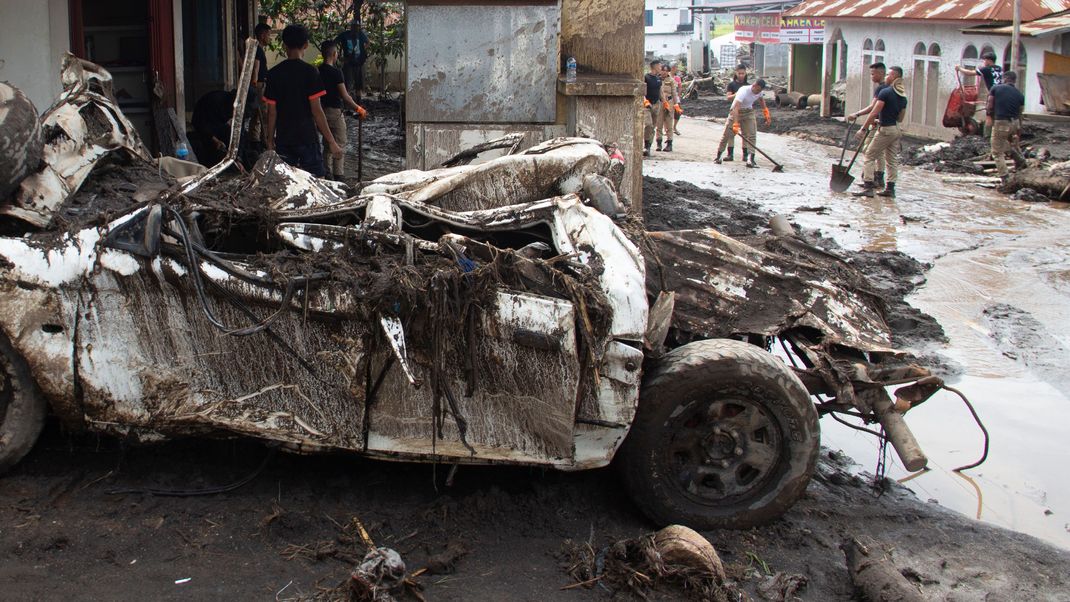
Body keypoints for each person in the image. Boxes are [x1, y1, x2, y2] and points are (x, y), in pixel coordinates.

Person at [264, 24, 342, 177]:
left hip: (284, 138)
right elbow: (317, 111)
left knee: (286, 181)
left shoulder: (273, 74)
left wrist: (269, 140)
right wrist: (331, 142)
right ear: (306, 45)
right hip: (307, 137)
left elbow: (271, 112)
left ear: (284, 45)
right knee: (317, 180)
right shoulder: (311, 72)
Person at [855, 66, 908, 198]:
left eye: (888, 75)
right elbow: (900, 118)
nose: (886, 77)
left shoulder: (885, 92)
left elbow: (874, 112)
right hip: (895, 130)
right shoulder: (903, 97)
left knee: (869, 155)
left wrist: (863, 128)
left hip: (885, 131)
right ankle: (890, 189)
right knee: (891, 160)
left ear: (894, 77)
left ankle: (868, 186)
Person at [319, 40, 368, 180]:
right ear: (334, 54)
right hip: (334, 112)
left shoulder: (317, 71)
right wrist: (359, 108)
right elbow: (345, 96)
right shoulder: (336, 72)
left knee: (327, 143)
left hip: (320, 111)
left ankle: (326, 174)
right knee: (340, 143)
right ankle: (338, 176)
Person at [846, 62, 888, 189]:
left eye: (873, 74)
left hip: (877, 124)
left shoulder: (881, 88)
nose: (871, 77)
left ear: (881, 73)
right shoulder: (889, 87)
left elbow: (872, 108)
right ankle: (879, 178)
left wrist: (857, 115)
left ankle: (869, 181)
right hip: (883, 123)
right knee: (880, 153)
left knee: (868, 151)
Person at [716, 78, 770, 167]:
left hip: (748, 112)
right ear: (754, 86)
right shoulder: (743, 91)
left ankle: (750, 159)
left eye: (760, 90)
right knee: (727, 135)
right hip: (736, 111)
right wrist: (735, 124)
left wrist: (766, 113)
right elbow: (736, 107)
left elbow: (761, 100)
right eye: (757, 90)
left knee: (752, 135)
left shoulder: (759, 92)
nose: (758, 92)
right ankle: (719, 156)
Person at [986, 70, 1026, 182]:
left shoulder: (995, 88)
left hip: (1001, 122)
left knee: (997, 152)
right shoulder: (1020, 94)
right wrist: (1019, 130)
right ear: (1014, 81)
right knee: (1009, 144)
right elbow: (1020, 113)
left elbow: (990, 104)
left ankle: (1005, 178)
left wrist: (989, 116)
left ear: (1005, 79)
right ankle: (1020, 161)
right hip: (1015, 123)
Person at [714, 65, 750, 163]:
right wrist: (738, 94)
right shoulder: (732, 85)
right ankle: (730, 154)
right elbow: (729, 97)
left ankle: (745, 155)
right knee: (730, 134)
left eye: (743, 73)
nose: (741, 75)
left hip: (745, 111)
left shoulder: (748, 85)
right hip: (734, 111)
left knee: (746, 134)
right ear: (736, 73)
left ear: (746, 73)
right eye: (739, 73)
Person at [247, 23, 273, 147]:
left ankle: (255, 138)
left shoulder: (258, 48)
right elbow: (256, 67)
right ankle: (262, 140)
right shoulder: (257, 49)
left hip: (260, 83)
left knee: (258, 113)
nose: (269, 38)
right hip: (259, 85)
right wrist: (255, 83)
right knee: (263, 113)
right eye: (268, 35)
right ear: (262, 35)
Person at [335, 20, 369, 99]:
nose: (356, 28)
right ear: (351, 27)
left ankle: (358, 102)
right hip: (348, 62)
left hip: (358, 62)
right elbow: (334, 42)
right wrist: (339, 56)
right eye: (354, 26)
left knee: (358, 83)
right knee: (347, 82)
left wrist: (363, 50)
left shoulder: (360, 34)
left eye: (357, 26)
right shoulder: (345, 35)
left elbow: (368, 42)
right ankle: (346, 102)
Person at [655, 64, 680, 152]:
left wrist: (676, 104)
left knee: (669, 124)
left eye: (666, 70)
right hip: (659, 103)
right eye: (663, 70)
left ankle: (669, 144)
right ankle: (659, 143)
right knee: (659, 124)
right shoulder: (657, 79)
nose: (664, 72)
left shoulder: (671, 81)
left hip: (669, 103)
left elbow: (674, 93)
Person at [643, 61, 662, 157]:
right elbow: (642, 91)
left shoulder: (658, 79)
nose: (661, 67)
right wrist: (645, 101)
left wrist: (664, 102)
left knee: (653, 127)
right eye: (659, 66)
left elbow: (660, 91)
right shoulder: (646, 77)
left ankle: (648, 147)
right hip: (647, 105)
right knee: (648, 125)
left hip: (656, 104)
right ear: (654, 67)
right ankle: (645, 145)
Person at [671, 64, 684, 135]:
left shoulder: (677, 78)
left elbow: (679, 87)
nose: (677, 69)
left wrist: (679, 95)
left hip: (676, 97)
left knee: (678, 112)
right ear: (672, 68)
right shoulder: (667, 77)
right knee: (666, 112)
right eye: (676, 68)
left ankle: (674, 127)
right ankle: (667, 128)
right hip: (668, 97)